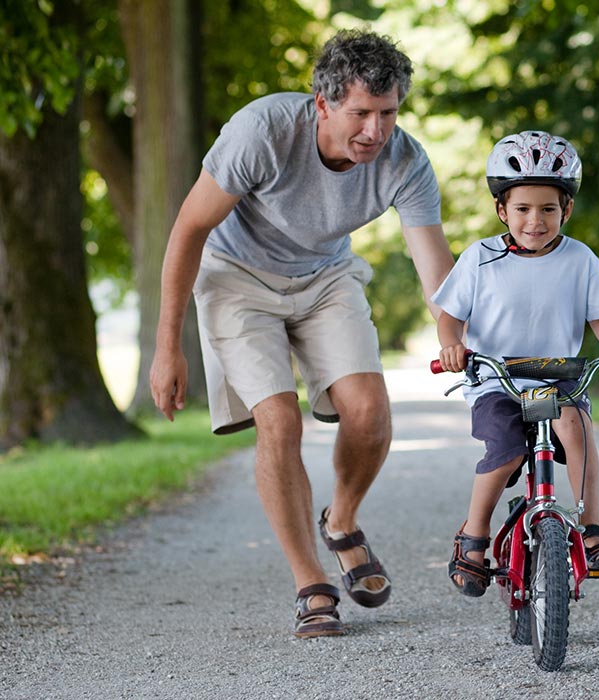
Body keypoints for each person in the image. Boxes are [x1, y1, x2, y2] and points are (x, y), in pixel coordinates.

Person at [148, 29, 453, 637]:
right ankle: (310, 582)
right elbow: (187, 231)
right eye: (360, 113)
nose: (375, 131)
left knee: (368, 411)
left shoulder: (405, 160)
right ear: (322, 103)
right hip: (236, 278)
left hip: (324, 277)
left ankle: (341, 522)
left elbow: (433, 264)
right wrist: (166, 347)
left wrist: (453, 337)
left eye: (388, 113)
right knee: (279, 419)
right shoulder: (261, 132)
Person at [432, 130, 599, 597]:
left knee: (576, 425)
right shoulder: (480, 258)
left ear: (566, 210)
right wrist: (451, 346)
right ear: (502, 210)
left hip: (559, 377)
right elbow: (449, 318)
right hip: (496, 378)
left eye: (548, 209)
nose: (535, 220)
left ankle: (591, 529)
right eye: (523, 209)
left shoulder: (580, 259)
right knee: (505, 450)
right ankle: (474, 534)